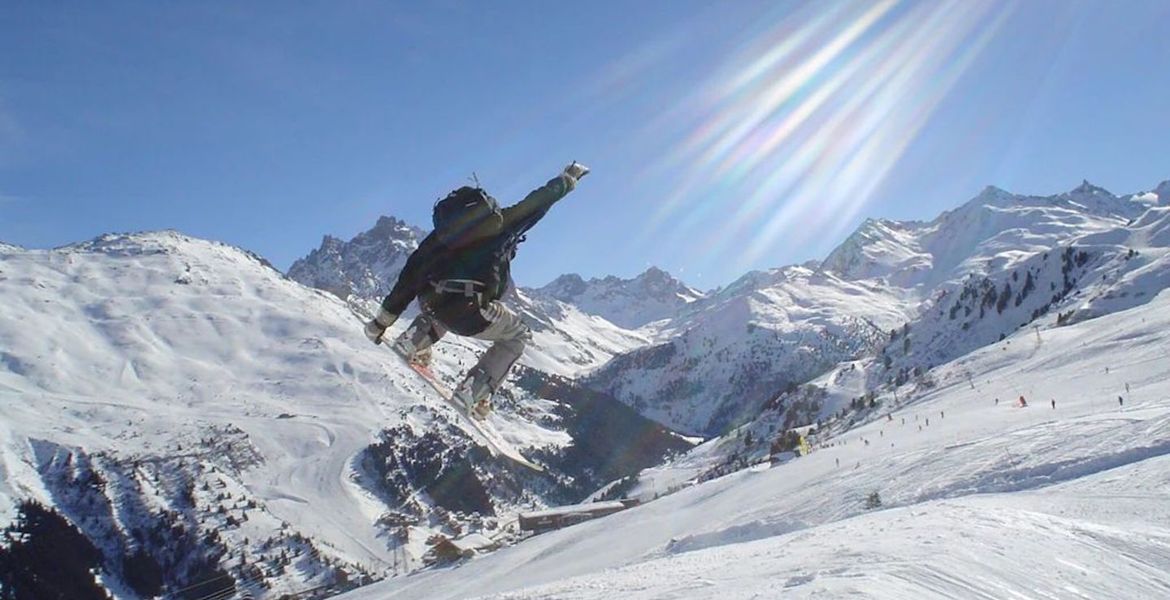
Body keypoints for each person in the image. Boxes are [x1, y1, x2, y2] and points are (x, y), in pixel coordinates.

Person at [364, 162, 591, 419]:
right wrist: (569, 179)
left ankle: (416, 338)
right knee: (518, 336)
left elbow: (407, 279)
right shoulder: (504, 224)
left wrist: (380, 323)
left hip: (431, 302)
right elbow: (539, 200)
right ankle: (475, 391)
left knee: (445, 299)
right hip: (470, 310)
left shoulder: (438, 237)